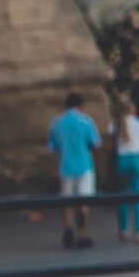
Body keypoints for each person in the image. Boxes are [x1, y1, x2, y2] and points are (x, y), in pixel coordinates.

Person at [47, 92, 101, 251]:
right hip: (84, 165)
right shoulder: (85, 121)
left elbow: (52, 147)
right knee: (84, 201)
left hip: (66, 165)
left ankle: (68, 227)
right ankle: (82, 234)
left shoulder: (57, 122)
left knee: (67, 201)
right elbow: (95, 143)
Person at [112, 97, 139, 245]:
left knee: (123, 194)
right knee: (138, 195)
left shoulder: (115, 125)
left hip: (122, 159)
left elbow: (113, 147)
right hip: (137, 159)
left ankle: (123, 229)